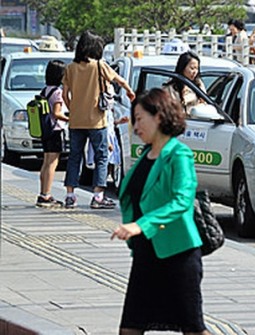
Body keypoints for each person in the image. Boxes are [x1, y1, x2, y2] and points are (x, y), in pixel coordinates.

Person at [111, 88, 208, 334]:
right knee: (130, 328)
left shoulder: (179, 154)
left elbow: (181, 201)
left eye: (140, 118)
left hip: (177, 254)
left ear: (159, 117)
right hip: (147, 254)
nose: (135, 127)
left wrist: (141, 225)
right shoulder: (146, 155)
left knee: (193, 329)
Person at [62, 30, 135, 209]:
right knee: (102, 156)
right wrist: (129, 91)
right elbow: (119, 80)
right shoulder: (100, 66)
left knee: (74, 157)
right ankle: (98, 197)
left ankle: (70, 196)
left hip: (76, 121)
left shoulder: (70, 68)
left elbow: (65, 95)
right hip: (97, 121)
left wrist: (74, 110)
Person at [36, 60, 69, 208]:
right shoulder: (57, 92)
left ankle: (42, 193)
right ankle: (46, 195)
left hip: (45, 130)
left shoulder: (45, 90)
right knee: (52, 163)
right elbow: (56, 113)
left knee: (45, 162)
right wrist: (69, 118)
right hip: (55, 130)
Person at [164, 51, 206, 115]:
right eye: (192, 68)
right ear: (182, 68)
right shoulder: (170, 88)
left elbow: (205, 104)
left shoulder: (199, 84)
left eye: (196, 68)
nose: (195, 72)